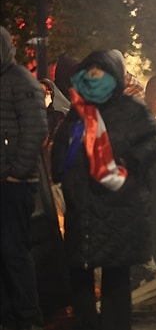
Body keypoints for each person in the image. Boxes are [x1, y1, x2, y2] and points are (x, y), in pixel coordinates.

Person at [50, 49, 156, 330]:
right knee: (81, 273)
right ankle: (87, 324)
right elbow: (63, 146)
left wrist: (132, 159)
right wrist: (63, 174)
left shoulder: (131, 110)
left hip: (118, 206)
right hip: (84, 205)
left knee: (116, 276)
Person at [1, 25, 47, 330]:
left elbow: (36, 129)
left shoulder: (19, 80)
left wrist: (17, 173)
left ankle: (28, 319)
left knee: (14, 251)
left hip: (13, 184)